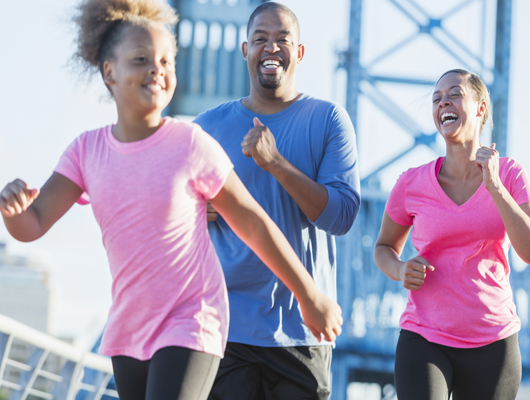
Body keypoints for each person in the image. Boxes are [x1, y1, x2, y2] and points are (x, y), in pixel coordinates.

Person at [0, 1, 344, 399]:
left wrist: (308, 294)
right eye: (141, 59)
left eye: (167, 61)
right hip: (129, 327)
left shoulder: (191, 144)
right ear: (109, 71)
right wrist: (13, 211)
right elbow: (34, 223)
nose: (157, 70)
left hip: (192, 318)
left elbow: (253, 223)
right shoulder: (85, 152)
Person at [193, 3, 360, 399]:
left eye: (282, 40)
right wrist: (198, 209)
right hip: (226, 328)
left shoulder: (330, 120)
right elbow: (170, 214)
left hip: (303, 329)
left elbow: (340, 218)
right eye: (260, 40)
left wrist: (276, 164)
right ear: (245, 50)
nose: (271, 48)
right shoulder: (206, 128)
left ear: (299, 52)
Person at [374, 68, 530, 400]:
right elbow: (383, 247)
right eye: (437, 99)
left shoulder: (510, 175)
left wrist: (494, 187)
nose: (443, 103)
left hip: (494, 342)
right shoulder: (411, 183)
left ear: (481, 108)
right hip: (424, 336)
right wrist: (398, 269)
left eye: (454, 94)